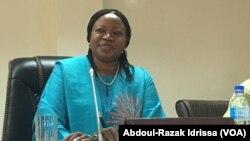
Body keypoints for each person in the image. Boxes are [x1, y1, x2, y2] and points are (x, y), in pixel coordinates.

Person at [32, 8, 166, 141]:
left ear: (126, 41)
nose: (108, 37)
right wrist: (69, 139)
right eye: (101, 30)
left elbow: (158, 130)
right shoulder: (65, 71)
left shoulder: (141, 79)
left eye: (116, 33)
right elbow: (44, 127)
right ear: (89, 36)